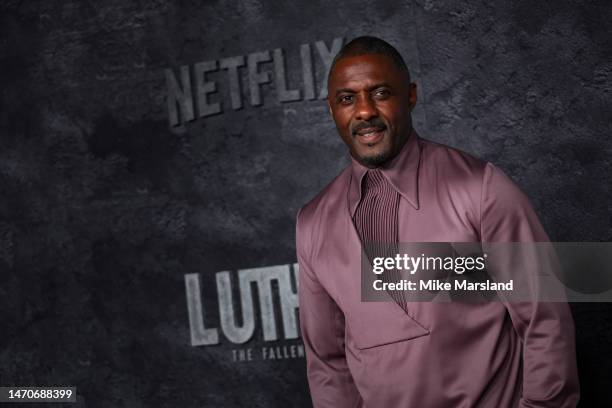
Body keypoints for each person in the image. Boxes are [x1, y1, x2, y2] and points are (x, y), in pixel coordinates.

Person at [296, 36, 579, 407]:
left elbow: (545, 320)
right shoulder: (313, 223)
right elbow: (328, 363)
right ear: (331, 110)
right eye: (347, 99)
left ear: (410, 96)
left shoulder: (480, 189)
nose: (364, 111)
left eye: (380, 93)